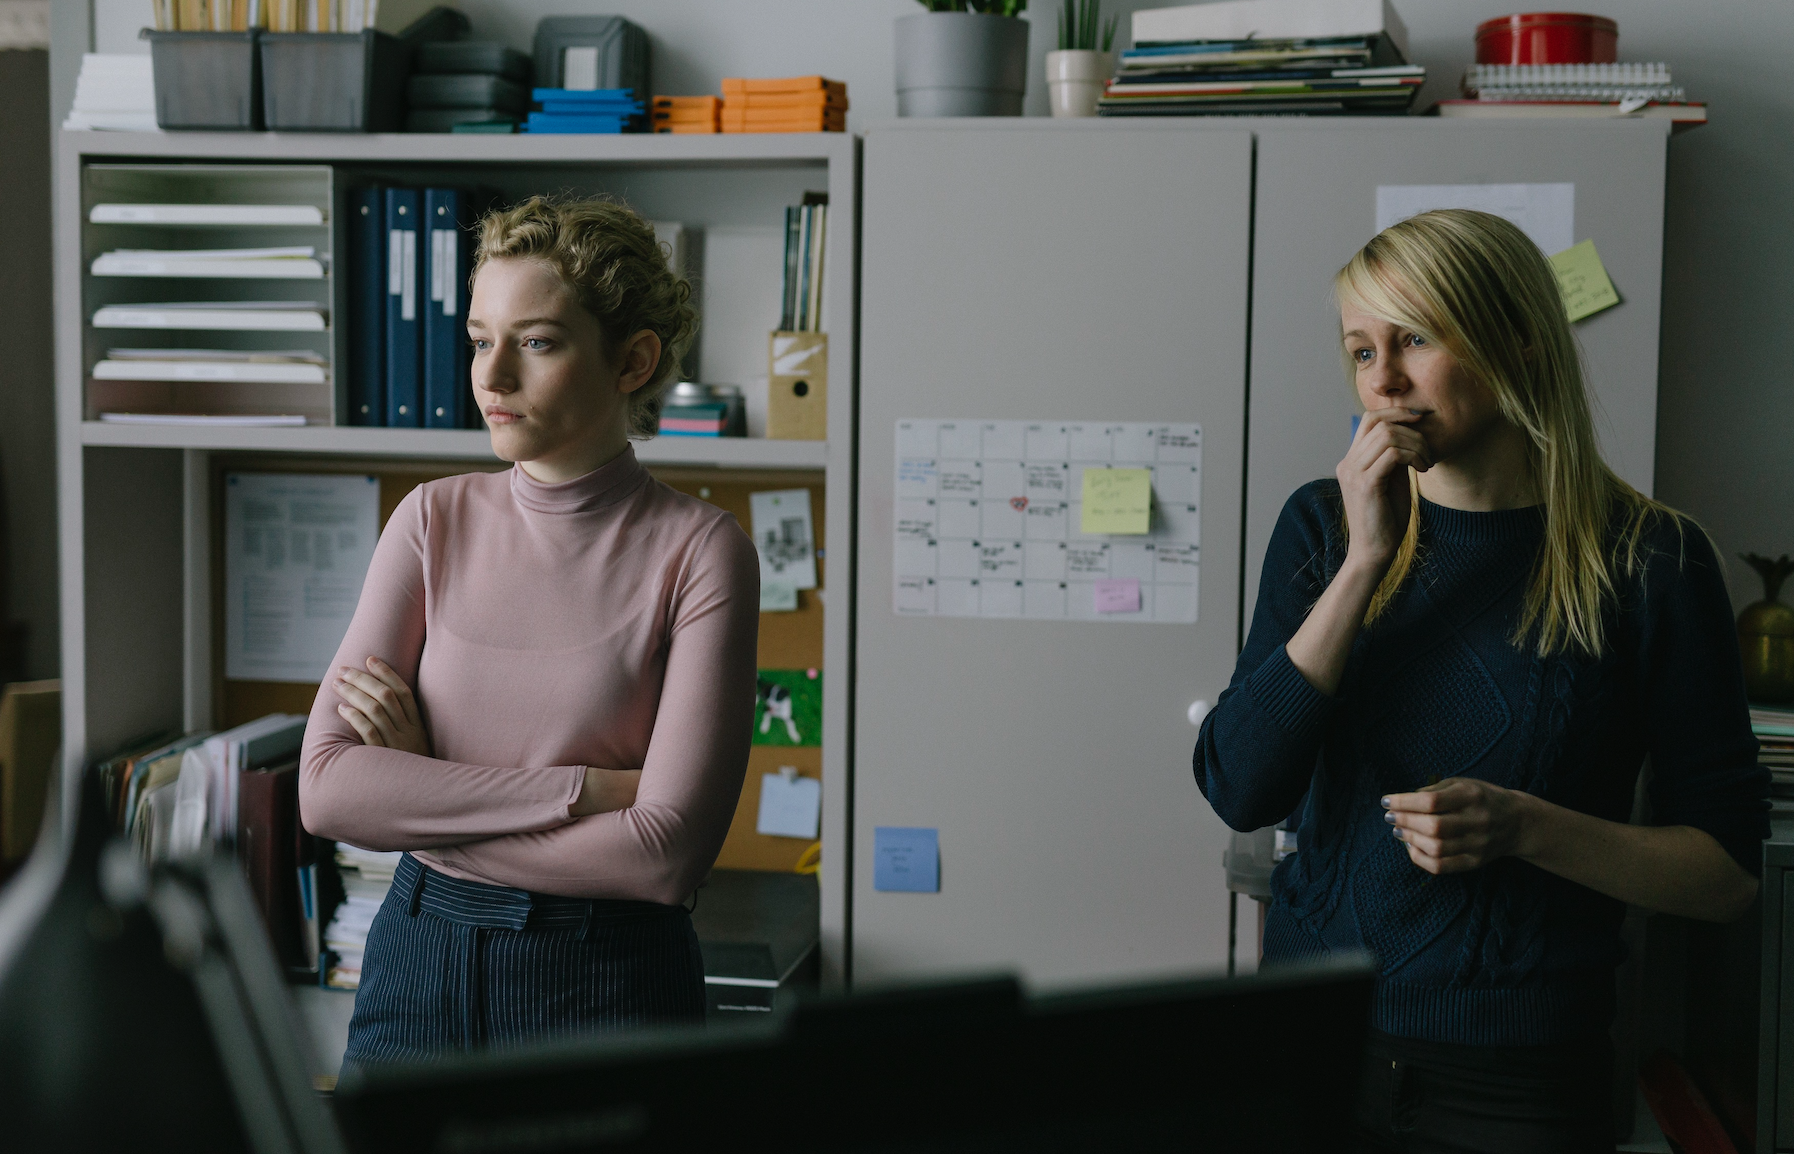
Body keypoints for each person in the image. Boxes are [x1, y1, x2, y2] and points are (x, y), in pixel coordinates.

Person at [1194, 209, 1768, 1152]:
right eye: (1360, 349)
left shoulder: (1652, 560)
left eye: (1415, 338)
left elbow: (1727, 876)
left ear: (1516, 342)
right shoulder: (1322, 530)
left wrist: (1527, 828)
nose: (1382, 379)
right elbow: (1239, 786)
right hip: (1304, 1044)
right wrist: (1364, 564)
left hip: (1517, 1082)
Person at [299, 197, 760, 1064]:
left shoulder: (703, 553)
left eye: (537, 341)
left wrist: (424, 791)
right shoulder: (431, 519)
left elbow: (663, 857)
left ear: (633, 360)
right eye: (481, 338)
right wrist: (581, 791)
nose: (492, 376)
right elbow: (327, 793)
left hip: (608, 975)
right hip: (416, 958)